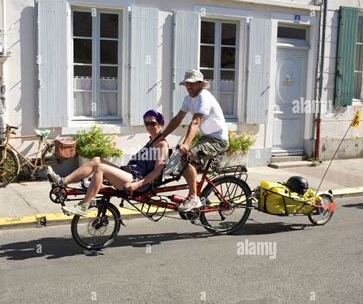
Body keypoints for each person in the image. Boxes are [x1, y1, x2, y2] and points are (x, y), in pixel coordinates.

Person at [46, 110, 169, 216]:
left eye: (153, 123)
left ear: (161, 124)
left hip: (139, 182)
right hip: (131, 173)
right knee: (96, 160)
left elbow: (157, 171)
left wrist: (136, 185)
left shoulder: (162, 144)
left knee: (101, 168)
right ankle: (62, 181)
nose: (149, 126)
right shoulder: (151, 141)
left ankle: (84, 205)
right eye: (146, 123)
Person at [155, 69, 228, 212]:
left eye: (192, 84)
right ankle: (195, 194)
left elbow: (195, 122)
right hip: (206, 138)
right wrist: (161, 136)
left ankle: (193, 197)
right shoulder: (188, 99)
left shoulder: (203, 97)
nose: (189, 87)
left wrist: (186, 145)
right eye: (187, 84)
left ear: (201, 84)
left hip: (218, 139)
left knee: (186, 157)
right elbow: (177, 119)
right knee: (183, 161)